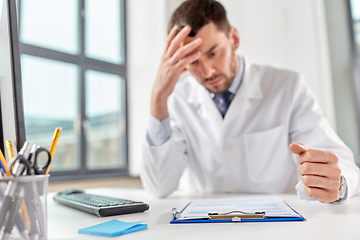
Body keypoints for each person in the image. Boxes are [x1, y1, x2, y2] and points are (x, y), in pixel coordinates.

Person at [140, 0, 360, 203]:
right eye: (193, 61)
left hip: (276, 225)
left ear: (233, 39)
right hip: (204, 227)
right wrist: (158, 99)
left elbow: (343, 164)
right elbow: (159, 187)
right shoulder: (177, 99)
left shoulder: (287, 86)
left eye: (213, 52)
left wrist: (337, 183)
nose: (208, 71)